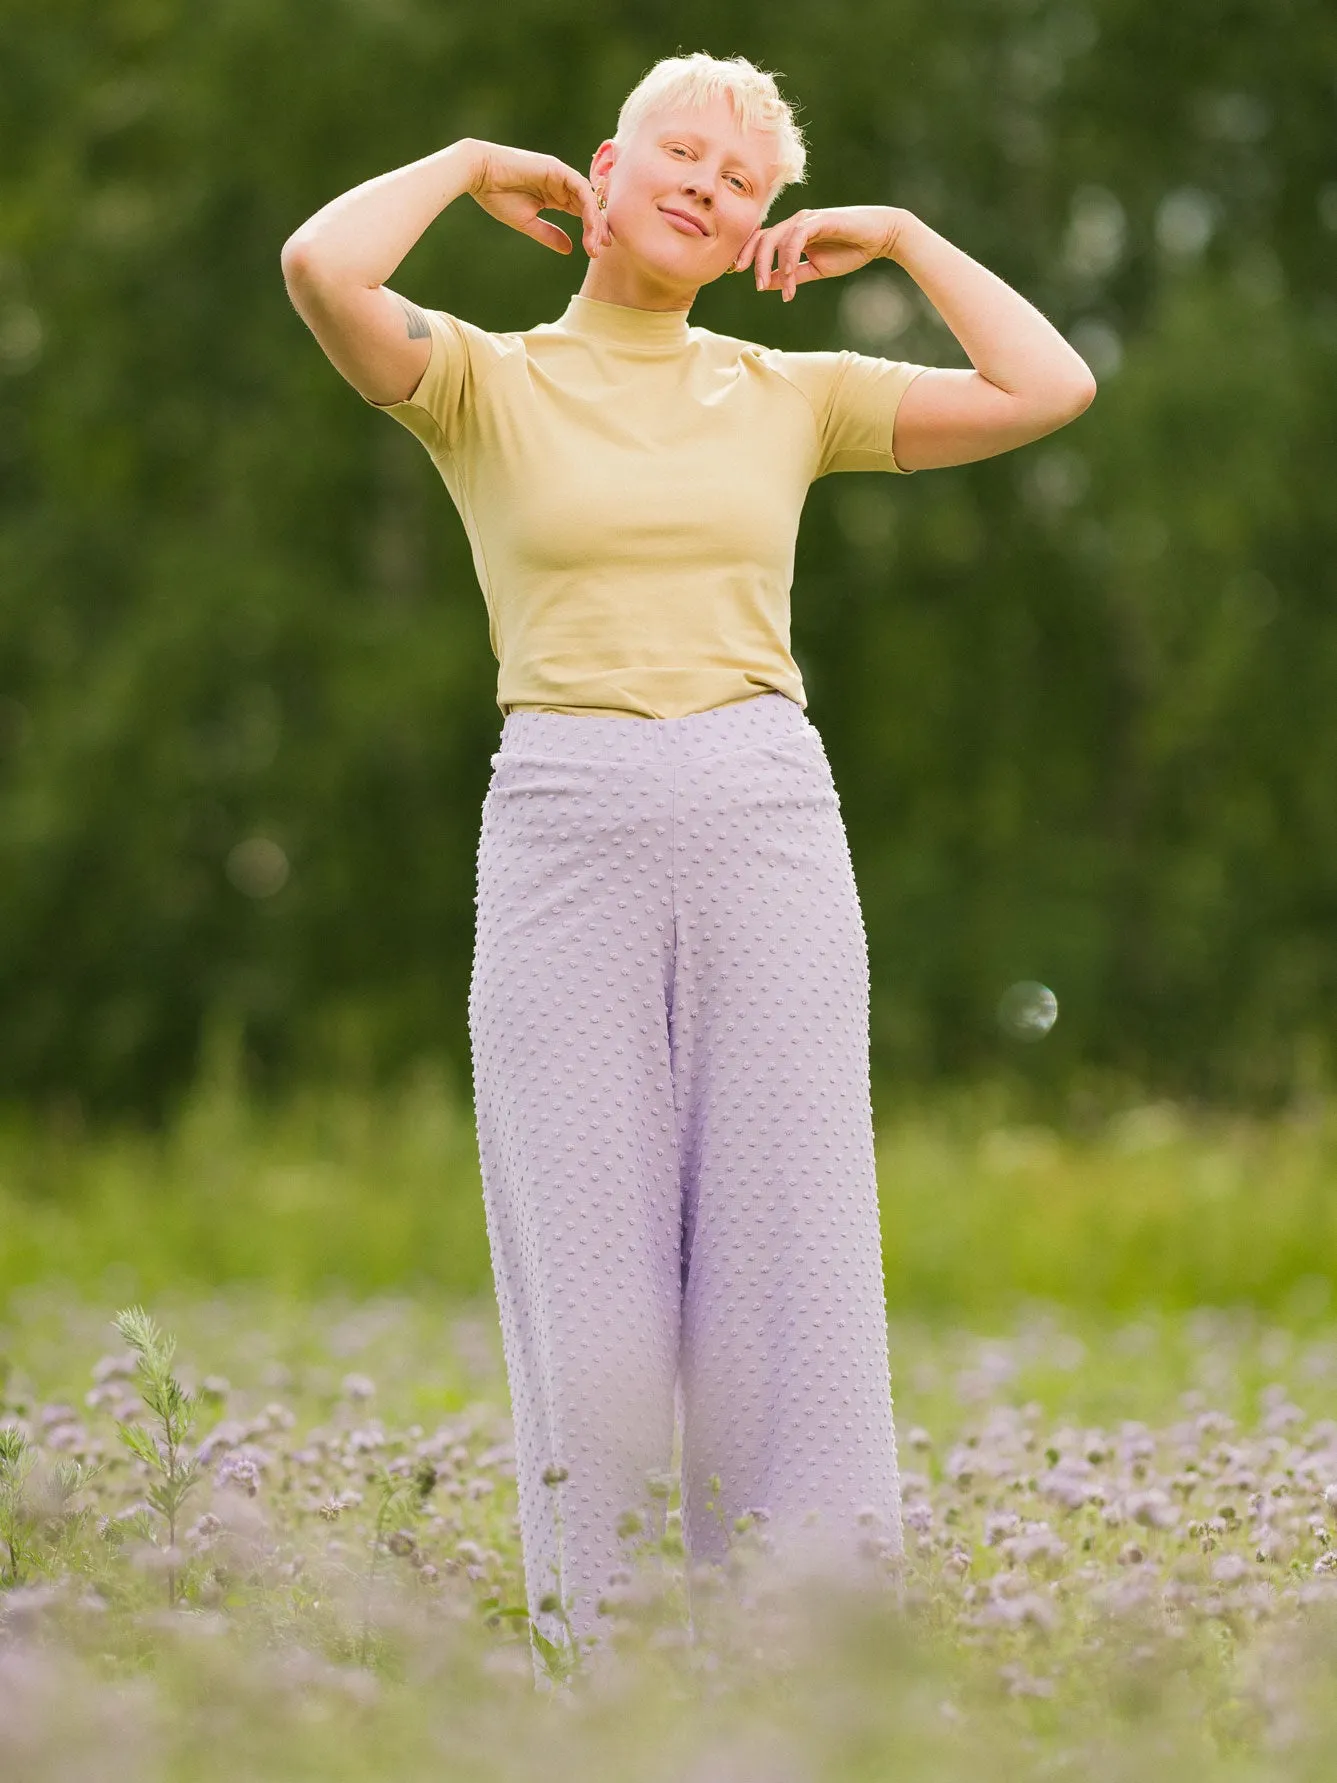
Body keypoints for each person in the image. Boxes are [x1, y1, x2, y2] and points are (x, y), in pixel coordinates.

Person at [280, 50, 1096, 1686]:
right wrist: (456, 158)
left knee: (790, 1268)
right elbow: (321, 267)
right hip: (563, 822)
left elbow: (1047, 386)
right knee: (587, 1287)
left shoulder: (785, 390)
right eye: (684, 152)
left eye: (746, 183)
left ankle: (813, 1674)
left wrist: (911, 239)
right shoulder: (483, 378)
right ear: (605, 165)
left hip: (763, 819)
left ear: (757, 236)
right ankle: (616, 1676)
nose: (712, 185)